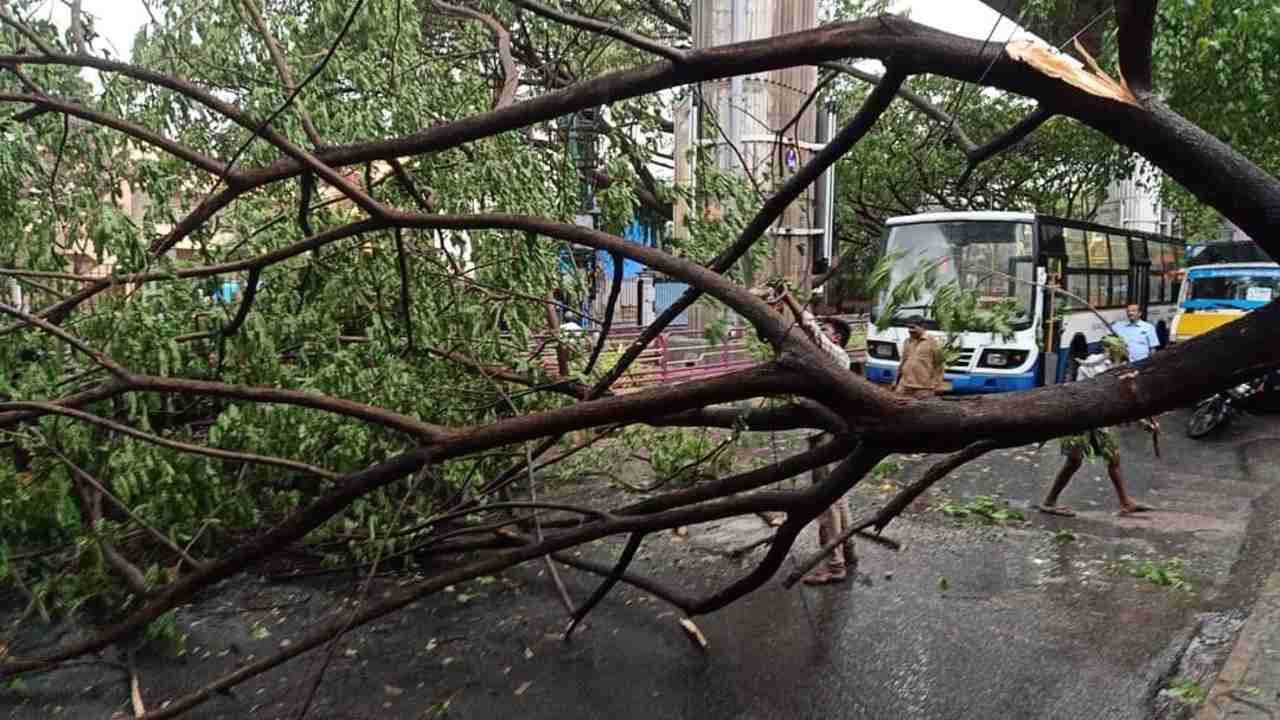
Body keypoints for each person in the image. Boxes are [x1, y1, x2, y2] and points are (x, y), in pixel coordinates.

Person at [764, 287, 856, 585]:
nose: (820, 330)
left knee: (825, 501)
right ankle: (848, 551)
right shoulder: (824, 362)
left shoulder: (836, 356)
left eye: (826, 329)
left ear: (836, 338)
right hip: (831, 432)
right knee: (839, 497)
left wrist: (789, 298)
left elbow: (810, 329)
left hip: (825, 436)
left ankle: (834, 565)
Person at [1038, 336, 1154, 517]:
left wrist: (1142, 421)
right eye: (1119, 350)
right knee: (1073, 462)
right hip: (1079, 419)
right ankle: (1049, 502)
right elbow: (1099, 393)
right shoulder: (1092, 365)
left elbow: (1123, 397)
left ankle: (1125, 502)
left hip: (1097, 422)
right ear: (1109, 350)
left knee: (1113, 458)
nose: (1122, 353)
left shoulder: (1117, 367)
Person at [893, 320, 945, 399]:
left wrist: (937, 385)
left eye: (913, 327)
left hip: (923, 388)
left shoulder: (933, 342)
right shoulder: (907, 341)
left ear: (922, 327)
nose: (910, 330)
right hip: (904, 385)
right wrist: (895, 381)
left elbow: (939, 365)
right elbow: (903, 362)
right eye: (908, 328)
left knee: (920, 409)